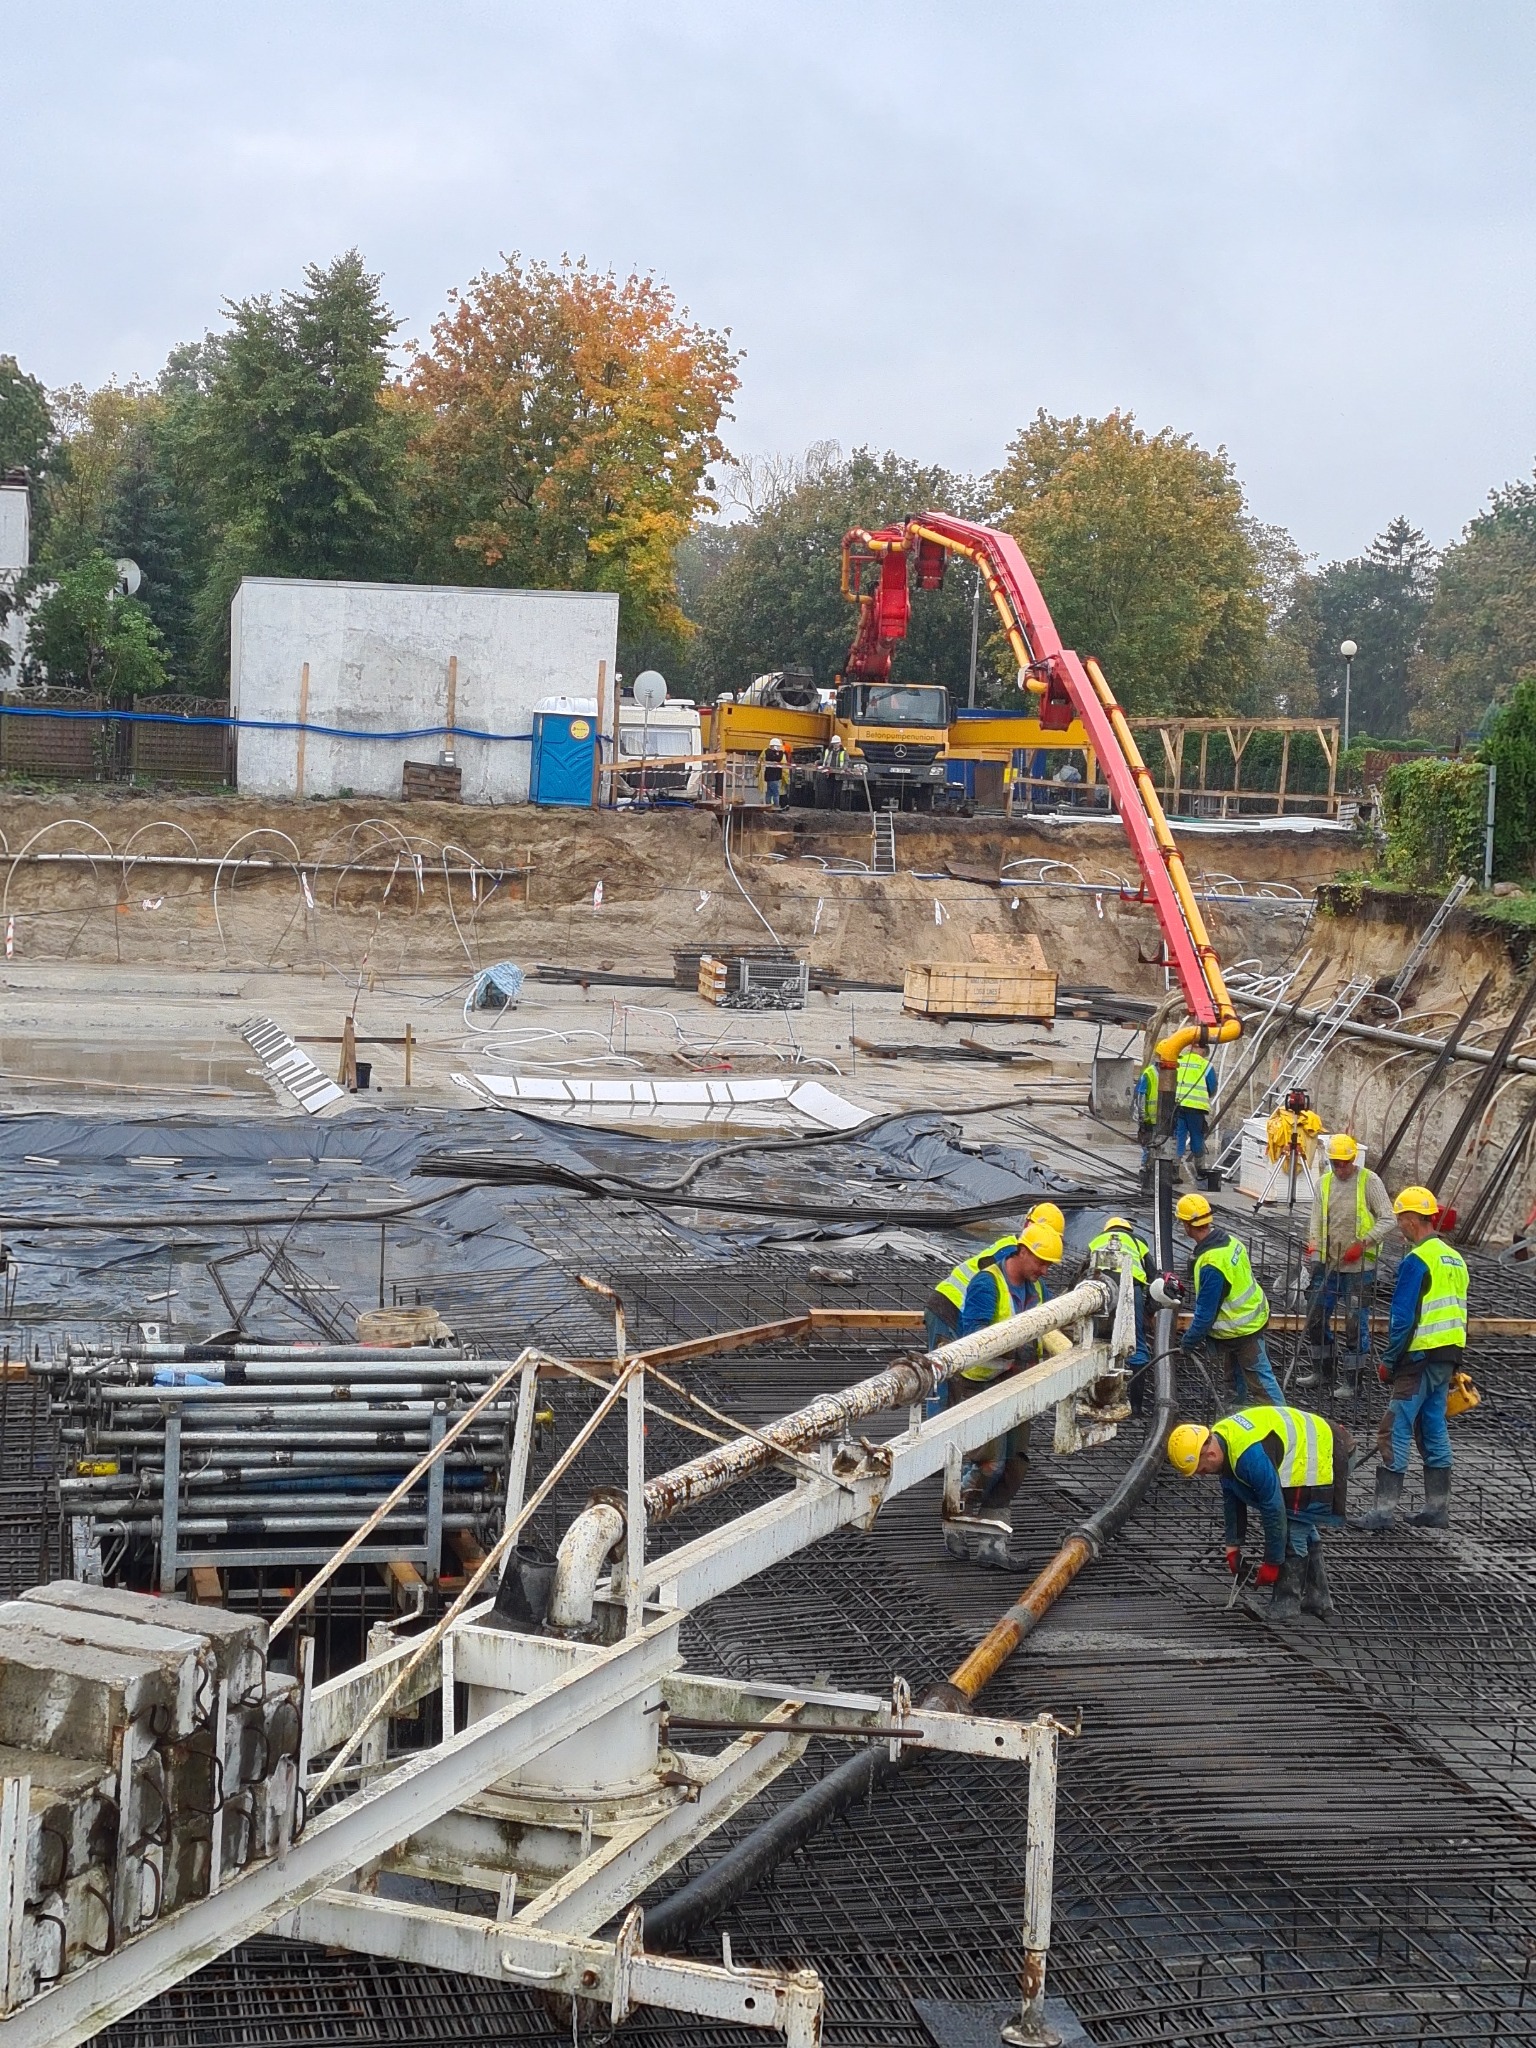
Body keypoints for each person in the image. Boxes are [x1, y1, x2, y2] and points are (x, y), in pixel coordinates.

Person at [1167, 1404, 1352, 1621]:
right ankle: (1319, 1599)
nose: (1201, 1475)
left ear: (1210, 1453)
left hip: (1327, 1450)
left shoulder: (1251, 1456)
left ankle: (1286, 1604)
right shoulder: (1221, 1439)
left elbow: (1273, 1510)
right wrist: (1232, 1547)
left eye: (1201, 1469)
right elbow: (1231, 1493)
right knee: (1301, 1525)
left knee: (1294, 1531)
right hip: (1317, 1444)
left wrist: (1272, 1562)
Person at [1361, 1185, 1468, 1531]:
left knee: (1394, 1428)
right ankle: (1437, 1509)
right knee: (1432, 1426)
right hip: (1447, 1357)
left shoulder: (1417, 1259)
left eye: (1401, 1220)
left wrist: (1389, 1361)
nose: (1399, 1227)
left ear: (1411, 1219)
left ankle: (1382, 1512)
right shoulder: (1455, 1258)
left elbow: (1403, 1317)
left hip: (1419, 1358)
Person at [950, 1219, 1064, 1520]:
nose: (1044, 1271)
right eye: (1042, 1263)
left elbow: (1050, 1324)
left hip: (1020, 1383)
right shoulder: (987, 1283)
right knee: (987, 1463)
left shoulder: (1037, 1287)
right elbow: (974, 1339)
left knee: (1015, 1463)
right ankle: (956, 1521)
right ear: (1023, 1252)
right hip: (985, 1384)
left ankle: (993, 1538)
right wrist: (1017, 1341)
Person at [1301, 1133, 1395, 1396]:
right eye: (1335, 1163)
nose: (1339, 1168)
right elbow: (1316, 1221)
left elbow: (1388, 1219)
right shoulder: (1324, 1184)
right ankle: (1323, 1371)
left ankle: (1353, 1382)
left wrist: (1363, 1243)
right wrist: (1316, 1249)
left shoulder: (1369, 1181)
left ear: (1353, 1159)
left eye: (1344, 1163)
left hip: (1360, 1270)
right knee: (1315, 1318)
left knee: (1355, 1324)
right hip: (1329, 1266)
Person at [1176, 1192, 1285, 1403]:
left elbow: (1205, 1316)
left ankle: (1285, 1427)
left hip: (1241, 1330)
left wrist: (1187, 1342)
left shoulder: (1212, 1264)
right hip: (1249, 1320)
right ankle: (1236, 1419)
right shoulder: (1230, 1242)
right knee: (1234, 1381)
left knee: (1262, 1384)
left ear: (1187, 1225)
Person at [1087, 1213, 1152, 1413]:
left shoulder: (1095, 1241)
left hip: (1101, 1292)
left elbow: (1084, 1271)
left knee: (1098, 1341)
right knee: (1135, 1344)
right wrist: (1149, 1312)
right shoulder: (1138, 1240)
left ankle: (1098, 1398)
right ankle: (1136, 1408)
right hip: (1131, 1288)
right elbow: (1154, 1276)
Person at [1174, 1046, 1216, 1184]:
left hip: (1178, 1105)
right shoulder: (1206, 1065)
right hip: (1196, 1108)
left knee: (1178, 1136)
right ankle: (1200, 1172)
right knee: (1197, 1137)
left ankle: (1174, 1170)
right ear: (1204, 1052)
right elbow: (1212, 1087)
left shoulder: (1179, 1060)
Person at [1133, 1060, 1159, 1194]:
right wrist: (1142, 1118)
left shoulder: (1172, 1073)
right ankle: (1145, 1183)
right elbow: (1141, 1097)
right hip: (1149, 1120)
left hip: (1163, 1121)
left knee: (1160, 1152)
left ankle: (1155, 1183)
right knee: (1148, 1151)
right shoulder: (1149, 1073)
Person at [762, 737, 787, 807]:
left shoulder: (769, 752)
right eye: (778, 746)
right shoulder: (769, 752)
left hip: (771, 777)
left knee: (769, 793)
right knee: (776, 793)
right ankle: (776, 806)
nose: (779, 748)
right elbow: (778, 758)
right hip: (773, 777)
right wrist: (781, 752)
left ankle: (768, 806)